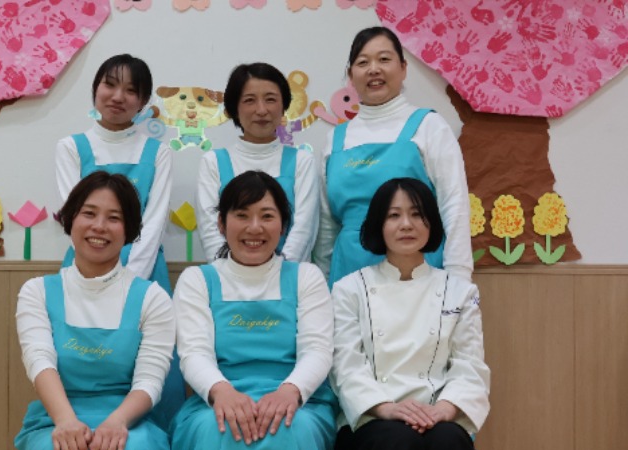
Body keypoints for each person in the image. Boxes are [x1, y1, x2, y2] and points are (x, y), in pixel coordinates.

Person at [172, 171, 337, 450]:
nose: (254, 228)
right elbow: (193, 354)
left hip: (298, 402)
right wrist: (223, 393)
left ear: (283, 225)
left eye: (267, 216)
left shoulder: (306, 277)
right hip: (215, 401)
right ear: (221, 223)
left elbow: (318, 350)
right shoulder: (197, 280)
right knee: (217, 429)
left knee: (293, 428)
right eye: (242, 215)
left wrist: (290, 391)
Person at [15, 172, 175, 450]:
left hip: (131, 423)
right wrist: (65, 422)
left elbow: (149, 381)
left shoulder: (152, 298)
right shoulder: (37, 292)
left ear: (129, 231)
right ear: (70, 219)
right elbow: (40, 362)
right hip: (55, 418)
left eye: (114, 218)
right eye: (89, 213)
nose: (99, 226)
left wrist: (117, 423)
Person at [330, 178, 490, 450]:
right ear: (379, 224)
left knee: (450, 442)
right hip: (371, 421)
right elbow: (346, 367)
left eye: (417, 214)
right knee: (398, 442)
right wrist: (387, 408)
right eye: (394, 215)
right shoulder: (349, 290)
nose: (406, 224)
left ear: (431, 223)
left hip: (436, 416)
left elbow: (470, 366)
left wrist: (443, 411)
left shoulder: (459, 292)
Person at [313, 26, 473, 287]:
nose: (374, 69)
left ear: (403, 68)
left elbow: (454, 207)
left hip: (417, 272)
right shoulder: (335, 140)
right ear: (351, 75)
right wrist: (321, 283)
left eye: (384, 59)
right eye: (363, 62)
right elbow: (326, 225)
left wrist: (459, 281)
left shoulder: (429, 127)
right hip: (349, 275)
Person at [56, 54, 172, 294]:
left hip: (144, 271)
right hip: (84, 270)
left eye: (131, 90)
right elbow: (73, 219)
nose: (118, 97)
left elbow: (155, 223)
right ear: (96, 88)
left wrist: (129, 281)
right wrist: (99, 277)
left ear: (143, 101)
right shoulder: (71, 148)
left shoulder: (159, 153)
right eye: (110, 84)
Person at [197, 62, 319, 263]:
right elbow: (210, 230)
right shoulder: (213, 162)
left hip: (287, 274)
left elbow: (304, 230)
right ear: (234, 108)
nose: (261, 110)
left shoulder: (302, 161)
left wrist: (280, 274)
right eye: (249, 100)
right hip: (228, 276)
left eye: (270, 99)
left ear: (284, 106)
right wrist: (229, 273)